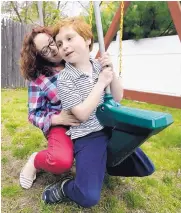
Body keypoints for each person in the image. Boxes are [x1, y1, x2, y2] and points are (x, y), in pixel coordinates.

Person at [42, 17, 124, 208]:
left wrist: (111, 72)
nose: (64, 46)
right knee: (88, 197)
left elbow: (118, 97)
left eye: (70, 39)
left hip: (110, 128)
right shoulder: (65, 78)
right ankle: (65, 188)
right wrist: (101, 83)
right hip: (88, 134)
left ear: (87, 39)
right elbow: (81, 114)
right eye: (60, 43)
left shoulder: (99, 67)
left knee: (143, 167)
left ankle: (101, 165)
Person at [19, 26, 80, 189]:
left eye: (51, 42)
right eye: (45, 50)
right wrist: (57, 119)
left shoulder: (75, 59)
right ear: (38, 56)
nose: (53, 49)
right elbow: (33, 114)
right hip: (59, 124)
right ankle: (35, 160)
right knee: (61, 161)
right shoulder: (38, 79)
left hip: (86, 118)